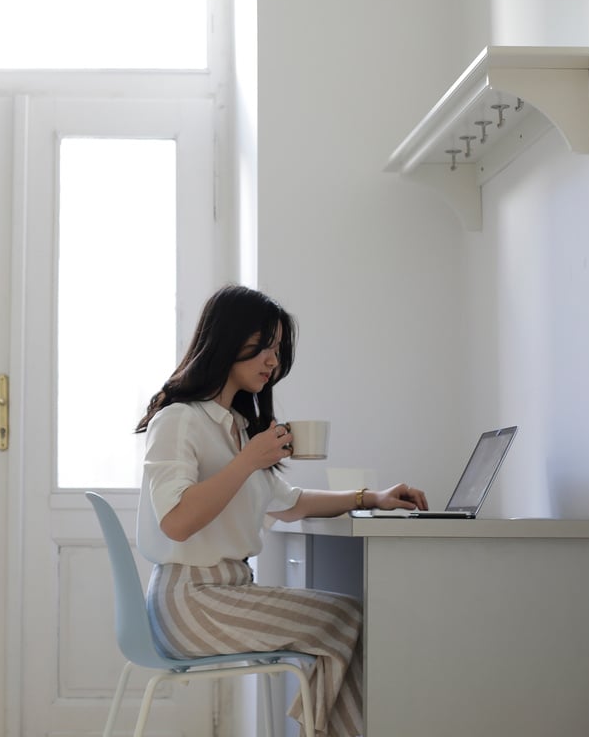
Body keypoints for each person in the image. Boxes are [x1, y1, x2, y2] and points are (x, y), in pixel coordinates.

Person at [134, 285, 428, 737]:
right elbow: (176, 521)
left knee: (345, 620)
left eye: (277, 349)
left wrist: (371, 497)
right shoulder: (178, 420)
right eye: (263, 346)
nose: (273, 361)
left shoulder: (234, 426)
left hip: (223, 595)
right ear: (228, 340)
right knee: (345, 618)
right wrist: (248, 459)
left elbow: (290, 504)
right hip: (191, 603)